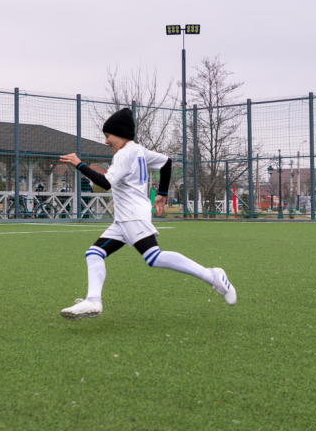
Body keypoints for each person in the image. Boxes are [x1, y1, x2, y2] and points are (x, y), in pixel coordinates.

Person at [58, 108, 236, 321]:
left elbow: (105, 183)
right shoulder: (139, 150)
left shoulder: (124, 154)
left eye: (107, 135)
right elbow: (166, 162)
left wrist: (79, 165)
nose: (106, 141)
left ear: (120, 134)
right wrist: (162, 194)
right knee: (94, 253)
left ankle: (212, 275)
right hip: (124, 219)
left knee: (154, 257)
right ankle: (93, 300)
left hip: (132, 216)